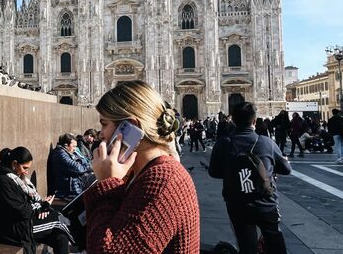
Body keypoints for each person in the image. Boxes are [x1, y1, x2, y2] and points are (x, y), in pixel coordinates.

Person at [83, 81, 200, 253]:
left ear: (131, 127)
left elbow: (107, 249)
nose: (100, 133)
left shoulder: (164, 179)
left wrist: (108, 184)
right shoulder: (143, 172)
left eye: (104, 123)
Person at [209, 102, 291, 254]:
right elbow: (287, 169)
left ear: (232, 120)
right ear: (254, 121)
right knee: (275, 244)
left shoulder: (223, 143)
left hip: (237, 203)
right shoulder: (266, 142)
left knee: (247, 247)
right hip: (266, 203)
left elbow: (213, 172)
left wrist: (232, 172)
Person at [0, 147, 72, 254]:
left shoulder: (16, 178)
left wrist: (42, 206)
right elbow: (19, 209)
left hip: (25, 221)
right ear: (14, 164)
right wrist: (42, 207)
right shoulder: (3, 180)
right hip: (15, 229)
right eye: (25, 168)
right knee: (58, 221)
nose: (27, 172)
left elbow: (30, 199)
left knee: (60, 237)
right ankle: (81, 244)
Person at [48, 133, 93, 199]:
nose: (75, 149)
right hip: (67, 193)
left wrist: (81, 163)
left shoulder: (69, 152)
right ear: (66, 145)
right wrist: (84, 165)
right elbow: (79, 169)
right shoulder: (60, 154)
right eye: (74, 146)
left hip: (75, 189)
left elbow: (84, 161)